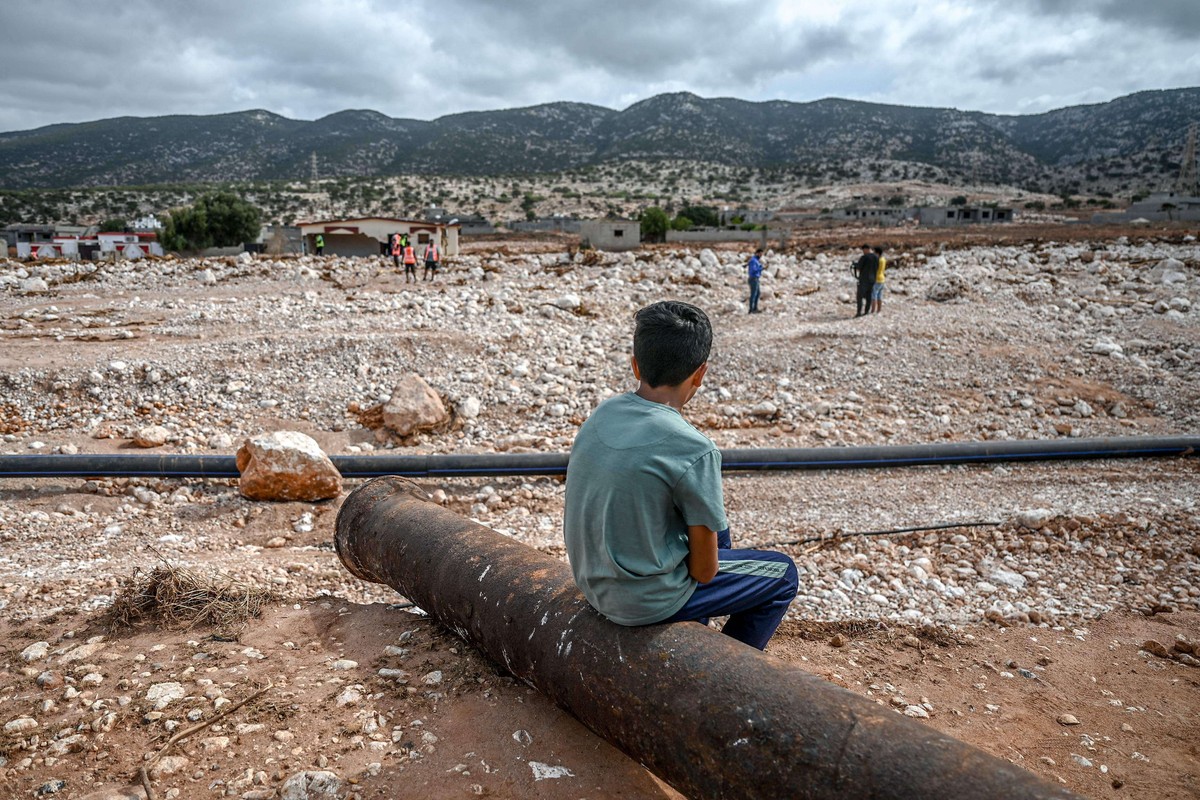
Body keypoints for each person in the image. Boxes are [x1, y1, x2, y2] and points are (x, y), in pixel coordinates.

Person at [563, 300, 798, 651]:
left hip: (593, 584)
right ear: (700, 374)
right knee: (783, 574)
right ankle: (728, 672)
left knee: (719, 531)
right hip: (641, 601)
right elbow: (704, 572)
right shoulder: (694, 447)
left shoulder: (603, 413)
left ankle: (693, 632)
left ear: (635, 365)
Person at [852, 244, 877, 317]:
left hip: (864, 279)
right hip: (872, 279)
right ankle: (866, 311)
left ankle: (859, 312)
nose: (863, 252)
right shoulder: (876, 257)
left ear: (866, 249)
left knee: (859, 296)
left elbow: (859, 267)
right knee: (869, 296)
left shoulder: (864, 257)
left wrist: (855, 265)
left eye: (863, 250)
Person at [746, 248, 764, 313]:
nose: (761, 255)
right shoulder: (754, 261)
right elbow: (753, 270)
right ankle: (751, 309)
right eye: (760, 254)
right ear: (757, 253)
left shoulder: (756, 260)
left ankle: (755, 308)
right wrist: (761, 268)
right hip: (753, 279)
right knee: (753, 294)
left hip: (756, 279)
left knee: (758, 293)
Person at [871, 246, 887, 314]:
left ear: (877, 253)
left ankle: (873, 310)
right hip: (882, 278)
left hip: (877, 278)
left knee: (873, 295)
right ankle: (879, 310)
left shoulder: (877, 260)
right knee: (879, 295)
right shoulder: (883, 259)